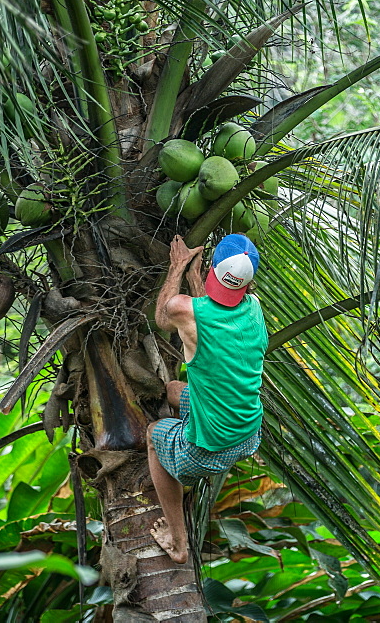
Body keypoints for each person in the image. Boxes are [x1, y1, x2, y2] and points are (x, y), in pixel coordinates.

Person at [148, 233, 268, 563]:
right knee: (174, 390)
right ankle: (198, 445)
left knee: (152, 434)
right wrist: (195, 279)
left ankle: (177, 539)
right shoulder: (254, 309)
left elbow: (161, 317)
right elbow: (213, 314)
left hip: (208, 446)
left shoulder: (185, 311)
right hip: (248, 433)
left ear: (215, 266)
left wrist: (177, 267)